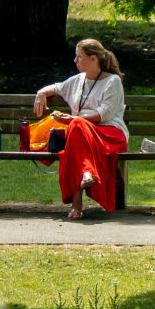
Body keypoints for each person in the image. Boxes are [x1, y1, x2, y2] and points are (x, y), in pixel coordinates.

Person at [27, 38, 130, 221]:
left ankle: (77, 203)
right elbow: (57, 87)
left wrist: (75, 119)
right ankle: (86, 173)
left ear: (93, 59)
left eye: (79, 57)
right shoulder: (78, 80)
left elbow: (104, 114)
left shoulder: (112, 82)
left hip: (109, 134)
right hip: (81, 135)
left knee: (75, 129)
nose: (75, 61)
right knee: (75, 132)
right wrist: (41, 93)